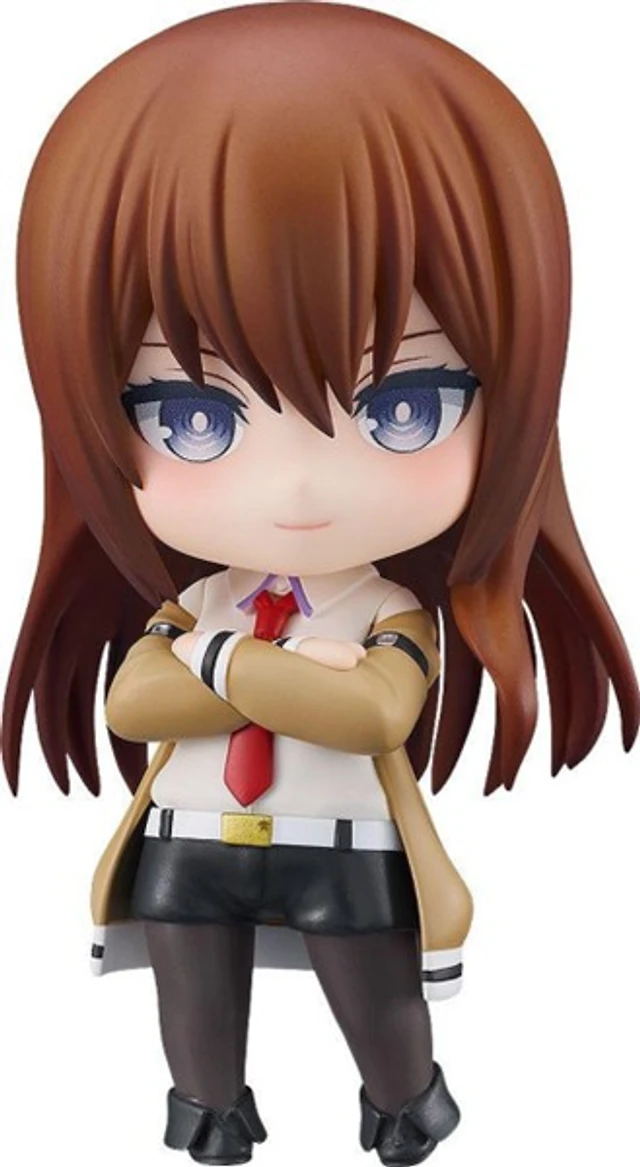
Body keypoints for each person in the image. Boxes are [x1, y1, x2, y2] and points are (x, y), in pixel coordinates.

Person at [3, 5, 638, 1165]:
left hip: (343, 848)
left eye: (403, 406)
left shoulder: (383, 611)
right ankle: (209, 1122)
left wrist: (216, 668)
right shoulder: (205, 605)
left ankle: (407, 1107)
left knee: (378, 1018)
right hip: (190, 842)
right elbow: (135, 705)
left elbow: (373, 714)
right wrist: (273, 670)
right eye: (191, 415)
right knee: (194, 1022)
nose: (297, 486)